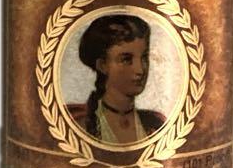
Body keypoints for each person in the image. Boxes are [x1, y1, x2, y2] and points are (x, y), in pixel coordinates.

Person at [68, 13, 166, 144]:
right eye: (126, 59)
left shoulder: (156, 124)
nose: (140, 70)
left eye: (144, 57)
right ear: (102, 65)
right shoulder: (77, 124)